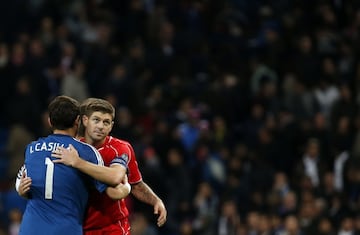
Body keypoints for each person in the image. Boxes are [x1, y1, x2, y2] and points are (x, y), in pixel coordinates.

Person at [48, 98, 167, 234]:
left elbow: (136, 185)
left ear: (111, 126)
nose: (101, 126)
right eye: (96, 120)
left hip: (112, 227)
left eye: (106, 122)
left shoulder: (120, 148)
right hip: (79, 228)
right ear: (85, 120)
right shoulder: (71, 148)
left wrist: (156, 200)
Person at [15, 95, 130, 235]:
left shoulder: (32, 149)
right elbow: (113, 192)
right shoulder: (86, 152)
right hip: (66, 229)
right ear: (78, 121)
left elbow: (23, 184)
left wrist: (23, 192)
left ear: (50, 121)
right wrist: (127, 187)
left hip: (30, 229)